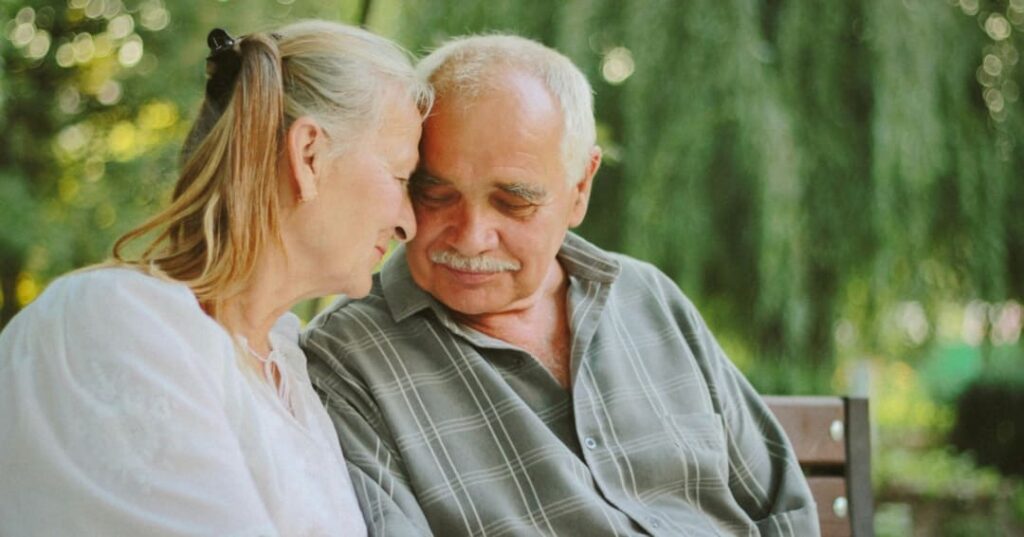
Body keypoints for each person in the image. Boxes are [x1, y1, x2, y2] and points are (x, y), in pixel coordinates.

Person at [302, 34, 819, 537]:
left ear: (580, 189)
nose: (472, 237)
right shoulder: (348, 358)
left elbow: (779, 505)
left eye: (513, 201)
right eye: (435, 194)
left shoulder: (647, 297)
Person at [0, 20, 432, 536]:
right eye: (401, 177)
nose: (410, 222)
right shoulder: (115, 322)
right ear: (309, 155)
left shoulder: (286, 371)